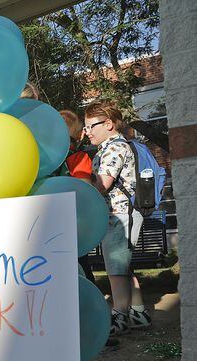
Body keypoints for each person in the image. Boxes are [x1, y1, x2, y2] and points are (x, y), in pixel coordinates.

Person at [84, 100, 152, 338]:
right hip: (120, 213)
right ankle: (138, 312)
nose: (88, 132)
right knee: (122, 265)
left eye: (92, 126)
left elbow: (103, 185)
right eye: (86, 127)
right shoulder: (110, 147)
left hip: (120, 214)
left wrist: (81, 181)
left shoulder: (114, 148)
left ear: (109, 124)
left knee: (115, 268)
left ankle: (119, 316)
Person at [58, 109, 97, 285]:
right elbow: (85, 191)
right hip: (72, 223)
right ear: (81, 136)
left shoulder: (43, 156)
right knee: (82, 267)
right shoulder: (78, 158)